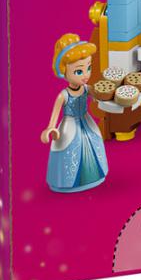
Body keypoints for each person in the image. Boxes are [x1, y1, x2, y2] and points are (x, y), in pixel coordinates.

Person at [41, 34, 108, 193]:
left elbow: (98, 93)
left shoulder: (86, 89)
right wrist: (51, 128)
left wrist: (108, 95)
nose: (86, 75)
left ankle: (95, 176)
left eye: (88, 68)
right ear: (64, 72)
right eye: (79, 71)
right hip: (70, 125)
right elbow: (55, 115)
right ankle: (68, 183)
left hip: (86, 121)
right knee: (70, 150)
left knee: (94, 142)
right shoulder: (64, 95)